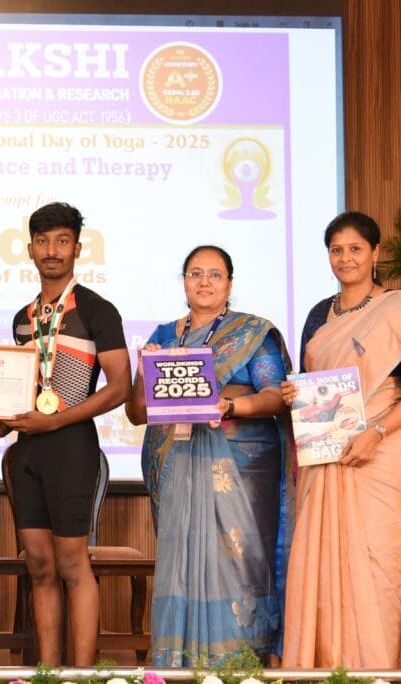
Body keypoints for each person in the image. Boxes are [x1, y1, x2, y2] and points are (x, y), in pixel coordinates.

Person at [0, 202, 131, 666]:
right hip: (28, 452)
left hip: (71, 447)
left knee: (71, 564)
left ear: (78, 249)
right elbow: (24, 392)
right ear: (29, 250)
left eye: (62, 241)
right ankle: (47, 671)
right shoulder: (23, 318)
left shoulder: (98, 311)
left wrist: (56, 421)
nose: (52, 251)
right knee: (39, 565)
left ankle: (81, 674)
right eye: (42, 242)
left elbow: (120, 387)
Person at [126, 245, 294, 667]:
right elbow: (136, 413)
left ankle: (238, 665)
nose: (204, 282)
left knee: (237, 562)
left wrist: (230, 406)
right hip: (178, 466)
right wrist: (143, 374)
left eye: (215, 274)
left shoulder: (254, 332)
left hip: (241, 469)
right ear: (184, 282)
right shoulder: (163, 336)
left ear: (229, 284)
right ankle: (180, 665)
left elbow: (276, 397)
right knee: (182, 564)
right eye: (195, 273)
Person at [280, 211, 401, 668]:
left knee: (378, 570)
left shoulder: (399, 310)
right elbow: (310, 381)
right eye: (336, 250)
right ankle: (324, 670)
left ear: (375, 253)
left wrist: (377, 431)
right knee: (322, 567)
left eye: (355, 249)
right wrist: (293, 392)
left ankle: (376, 670)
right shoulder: (318, 315)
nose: (345, 258)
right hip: (325, 459)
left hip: (381, 457)